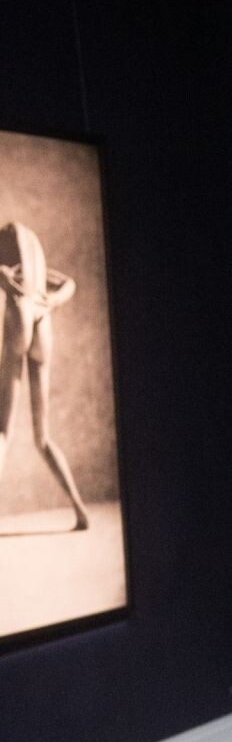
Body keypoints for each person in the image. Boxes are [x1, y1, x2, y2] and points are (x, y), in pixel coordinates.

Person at [0, 220, 90, 530]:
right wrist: (52, 301)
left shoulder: (6, 234)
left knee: (3, 432)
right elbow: (69, 284)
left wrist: (2, 276)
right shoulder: (32, 245)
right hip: (42, 318)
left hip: (20, 312)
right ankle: (80, 510)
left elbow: (5, 273)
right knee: (43, 437)